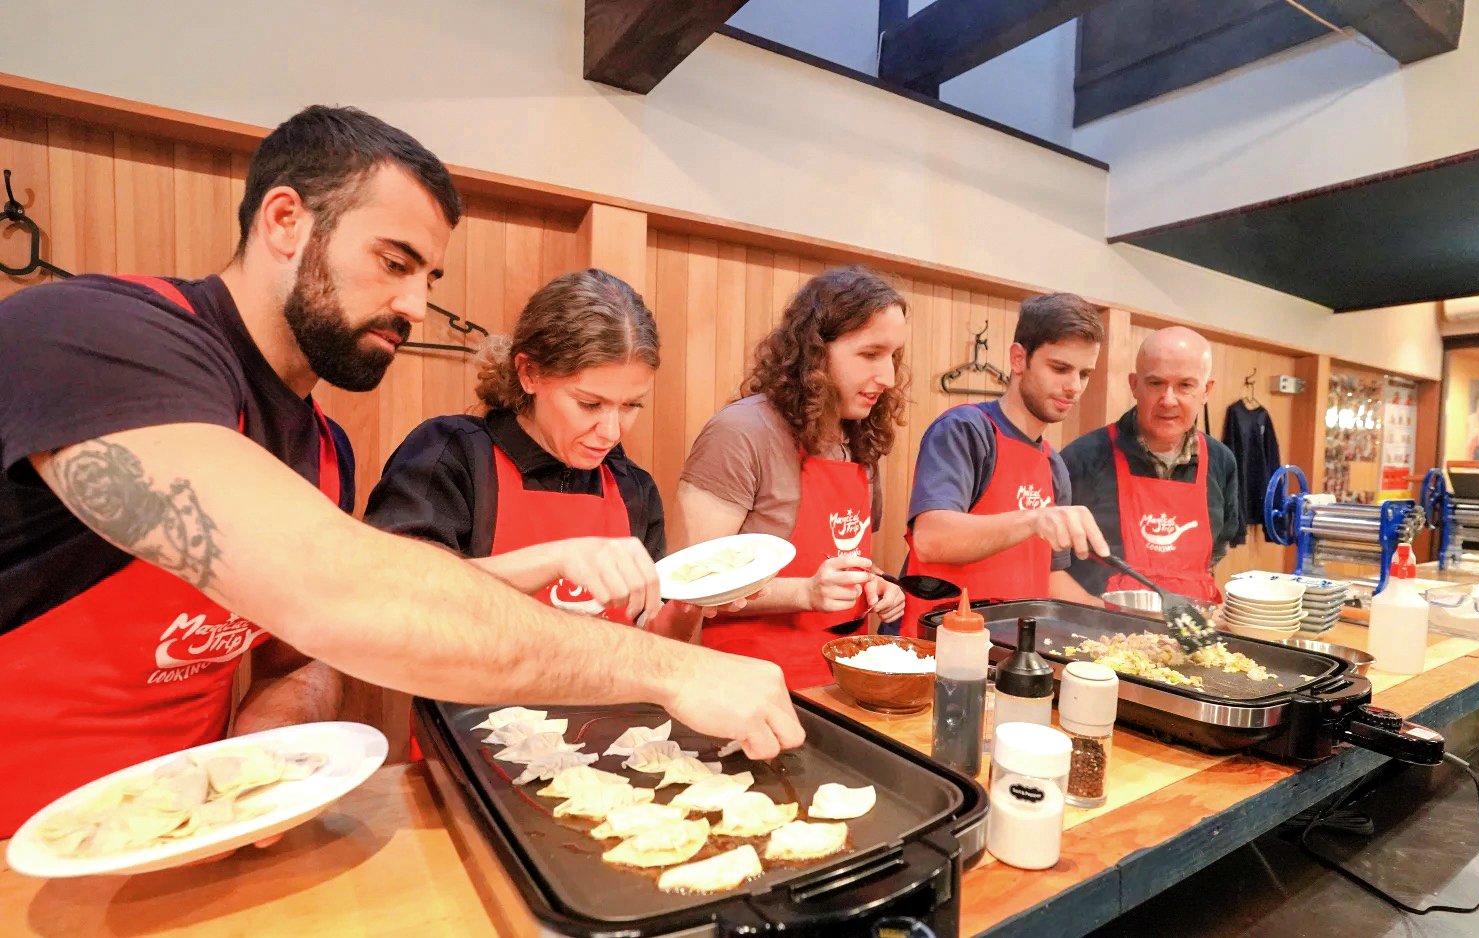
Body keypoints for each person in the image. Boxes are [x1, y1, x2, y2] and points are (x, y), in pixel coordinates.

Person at [0, 105, 801, 837]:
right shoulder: (99, 334)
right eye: (394, 262)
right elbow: (339, 589)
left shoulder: (323, 448)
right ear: (285, 220)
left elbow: (300, 651)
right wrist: (669, 669)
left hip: (179, 835)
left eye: (430, 278)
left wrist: (277, 744)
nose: (417, 306)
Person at [365, 267, 720, 635]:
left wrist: (691, 602)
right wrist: (557, 559)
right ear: (529, 373)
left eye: (631, 405)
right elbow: (396, 589)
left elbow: (651, 643)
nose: (612, 432)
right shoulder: (452, 454)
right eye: (589, 404)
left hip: (606, 693)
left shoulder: (633, 489)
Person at [676, 266, 909, 689]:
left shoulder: (859, 435)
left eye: (894, 356)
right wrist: (805, 593)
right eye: (871, 354)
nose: (889, 378)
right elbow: (697, 584)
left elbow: (843, 555)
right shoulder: (741, 432)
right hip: (752, 685)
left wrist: (873, 584)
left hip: (845, 681)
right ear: (816, 352)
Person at [901, 293, 1111, 632]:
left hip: (1012, 656)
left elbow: (1051, 578)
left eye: (1084, 374)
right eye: (1060, 368)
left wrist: (1121, 618)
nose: (1073, 386)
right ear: (1018, 359)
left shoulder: (1054, 466)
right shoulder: (967, 430)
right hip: (940, 648)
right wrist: (1034, 519)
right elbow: (931, 538)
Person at [1059, 326, 1242, 603]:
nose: (1168, 400)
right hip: (1102, 632)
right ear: (1134, 385)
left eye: (1185, 386)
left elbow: (1218, 547)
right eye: (1156, 383)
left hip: (1190, 631)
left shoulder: (1222, 461)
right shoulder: (1083, 457)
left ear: (1206, 390)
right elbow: (1051, 562)